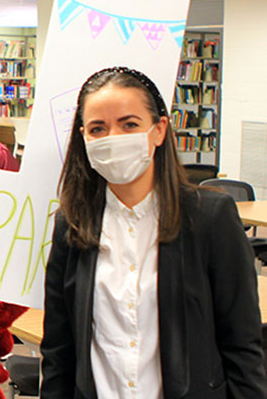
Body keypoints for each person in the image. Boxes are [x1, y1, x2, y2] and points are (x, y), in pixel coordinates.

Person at [41, 66, 267, 399]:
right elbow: (58, 349)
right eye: (98, 128)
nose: (113, 139)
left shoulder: (209, 218)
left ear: (159, 130)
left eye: (129, 124)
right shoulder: (71, 224)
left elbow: (242, 343)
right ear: (83, 137)